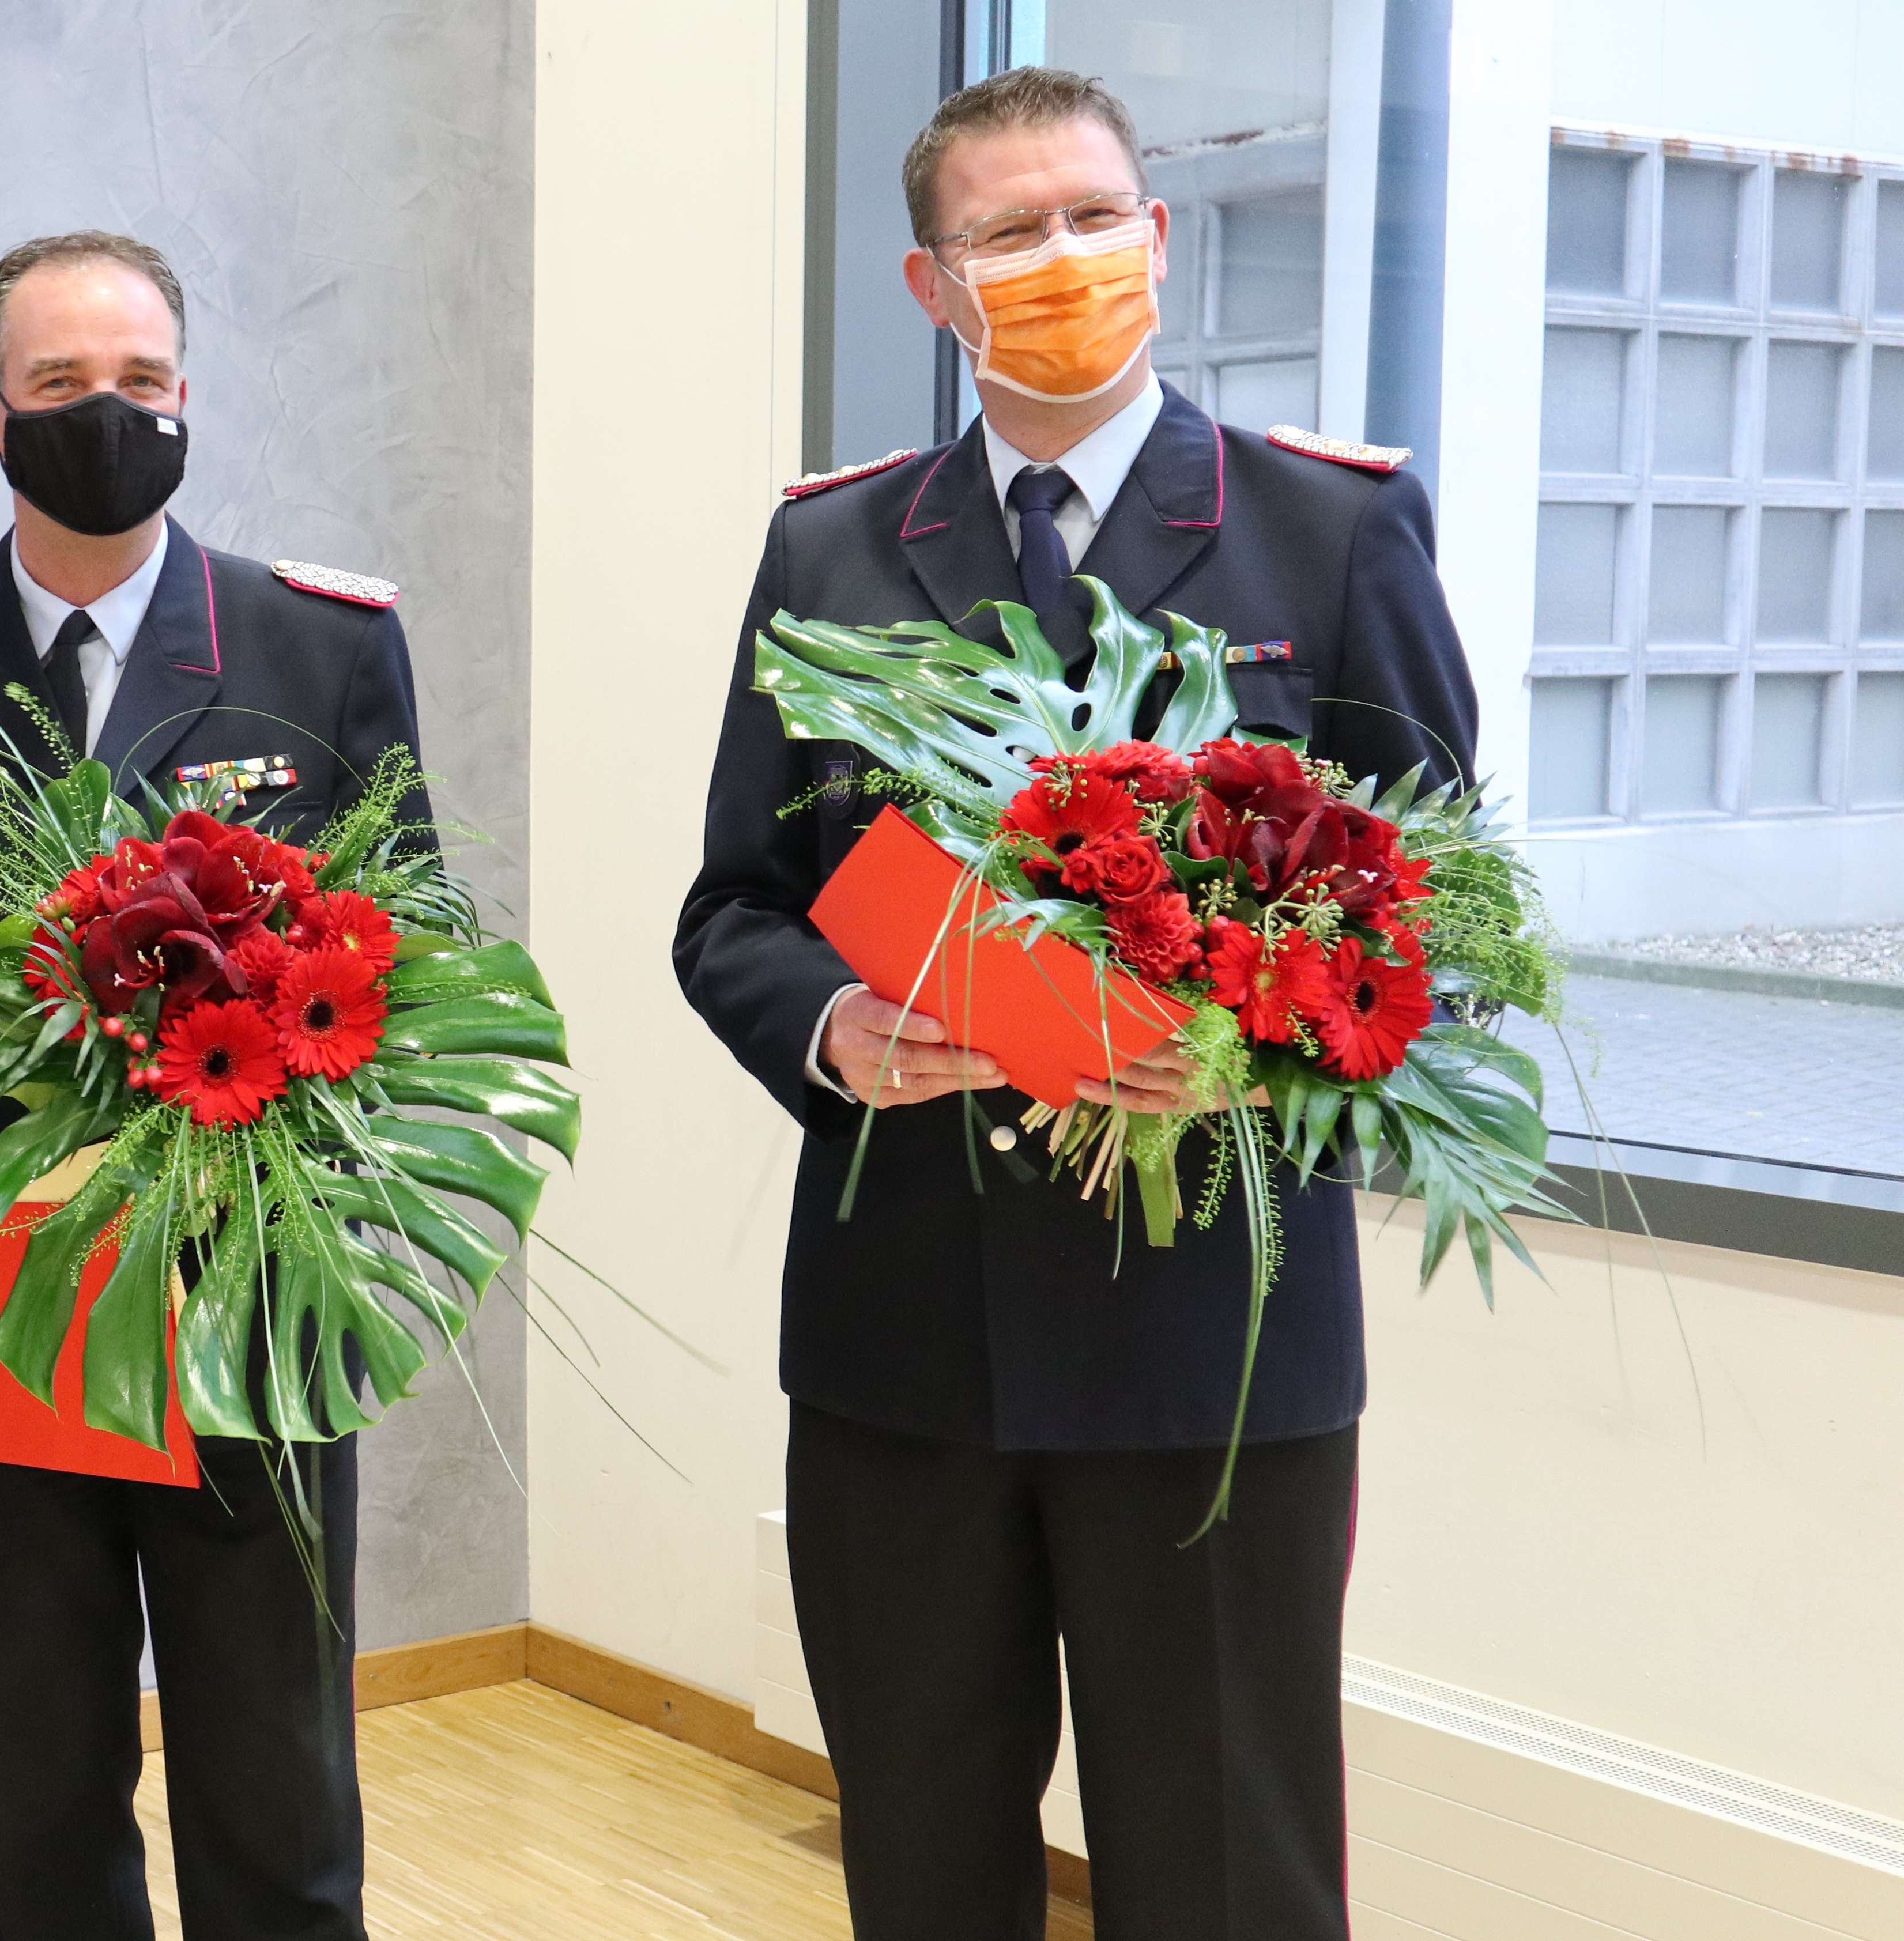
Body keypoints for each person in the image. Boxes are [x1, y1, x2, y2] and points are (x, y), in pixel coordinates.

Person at [675, 69, 1477, 1941]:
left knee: (1223, 1868)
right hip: (903, 1345)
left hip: (1212, 1354)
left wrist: (1247, 1057)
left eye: (1095, 216)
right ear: (929, 282)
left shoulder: (1329, 532)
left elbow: (1431, 928)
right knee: (926, 1856)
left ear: (1161, 237)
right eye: (1009, 233)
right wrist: (834, 1030)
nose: (1064, 258)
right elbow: (736, 907)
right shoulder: (833, 550)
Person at [0, 229, 424, 1940]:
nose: (103, 413)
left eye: (139, 382)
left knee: (277, 1795)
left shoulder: (315, 644)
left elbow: (410, 947)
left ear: (185, 399)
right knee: (41, 1794)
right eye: (60, 385)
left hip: (244, 1306)